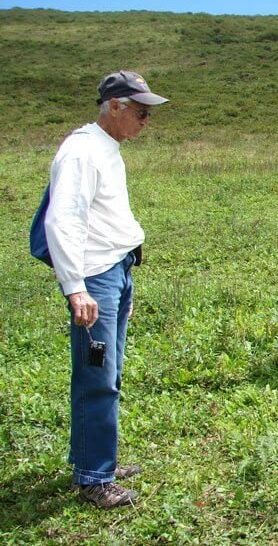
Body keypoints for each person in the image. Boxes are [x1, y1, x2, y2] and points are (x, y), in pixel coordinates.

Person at [44, 71, 168, 507]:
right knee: (98, 378)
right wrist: (77, 288)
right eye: (140, 112)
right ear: (114, 105)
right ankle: (94, 478)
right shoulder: (81, 152)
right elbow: (63, 220)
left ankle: (95, 460)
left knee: (109, 373)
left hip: (114, 271)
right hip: (94, 276)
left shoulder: (106, 148)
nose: (145, 122)